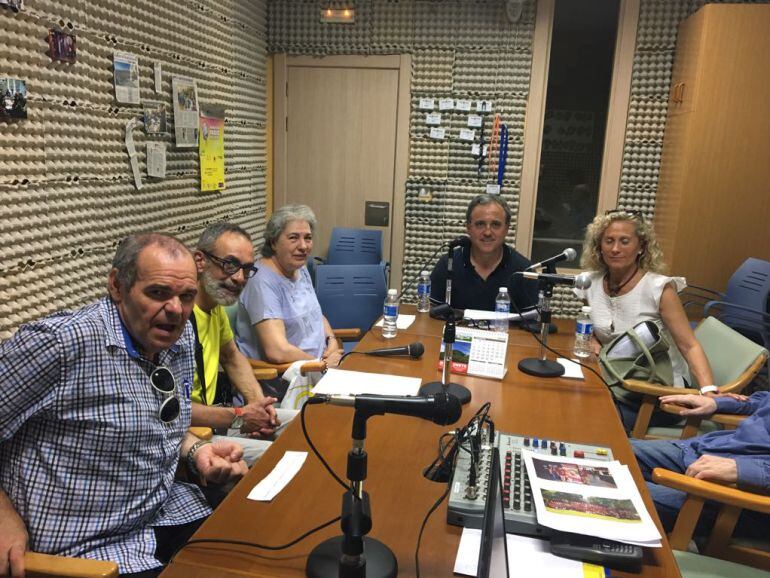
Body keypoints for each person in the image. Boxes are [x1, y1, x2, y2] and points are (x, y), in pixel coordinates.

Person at [0, 233, 247, 577]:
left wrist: (195, 452)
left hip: (162, 514)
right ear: (117, 286)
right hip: (87, 549)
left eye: (186, 296)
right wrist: (3, 515)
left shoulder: (177, 336)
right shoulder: (59, 345)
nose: (176, 309)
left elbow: (162, 422)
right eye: (158, 293)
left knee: (262, 539)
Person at [574, 210, 716, 430]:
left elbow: (689, 345)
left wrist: (709, 392)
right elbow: (593, 321)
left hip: (656, 394)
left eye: (624, 241)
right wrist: (593, 338)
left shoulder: (659, 288)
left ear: (641, 247)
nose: (615, 248)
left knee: (587, 419)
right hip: (612, 380)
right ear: (599, 247)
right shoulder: (590, 283)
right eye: (608, 241)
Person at [190, 222, 298, 466]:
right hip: (194, 435)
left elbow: (231, 357)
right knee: (282, 460)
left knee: (307, 424)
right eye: (229, 265)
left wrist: (258, 406)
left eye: (247, 269)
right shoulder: (177, 319)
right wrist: (239, 417)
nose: (238, 278)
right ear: (200, 261)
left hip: (217, 419)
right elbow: (173, 411)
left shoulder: (214, 307)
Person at [631, 391, 769, 538]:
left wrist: (749, 469)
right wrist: (717, 403)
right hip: (709, 451)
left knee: (614, 491)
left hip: (746, 499)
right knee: (609, 452)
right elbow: (764, 400)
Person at [235, 204, 343, 369]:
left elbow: (315, 315)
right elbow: (277, 351)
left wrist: (331, 340)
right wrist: (322, 365)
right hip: (288, 380)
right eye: (293, 238)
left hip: (317, 368)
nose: (303, 246)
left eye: (307, 238)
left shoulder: (299, 267)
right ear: (273, 242)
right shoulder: (261, 282)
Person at [429, 194, 538, 312]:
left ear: (506, 229)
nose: (487, 232)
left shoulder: (524, 271)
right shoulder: (448, 263)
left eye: (495, 225)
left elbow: (532, 323)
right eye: (480, 224)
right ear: (468, 227)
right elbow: (431, 315)